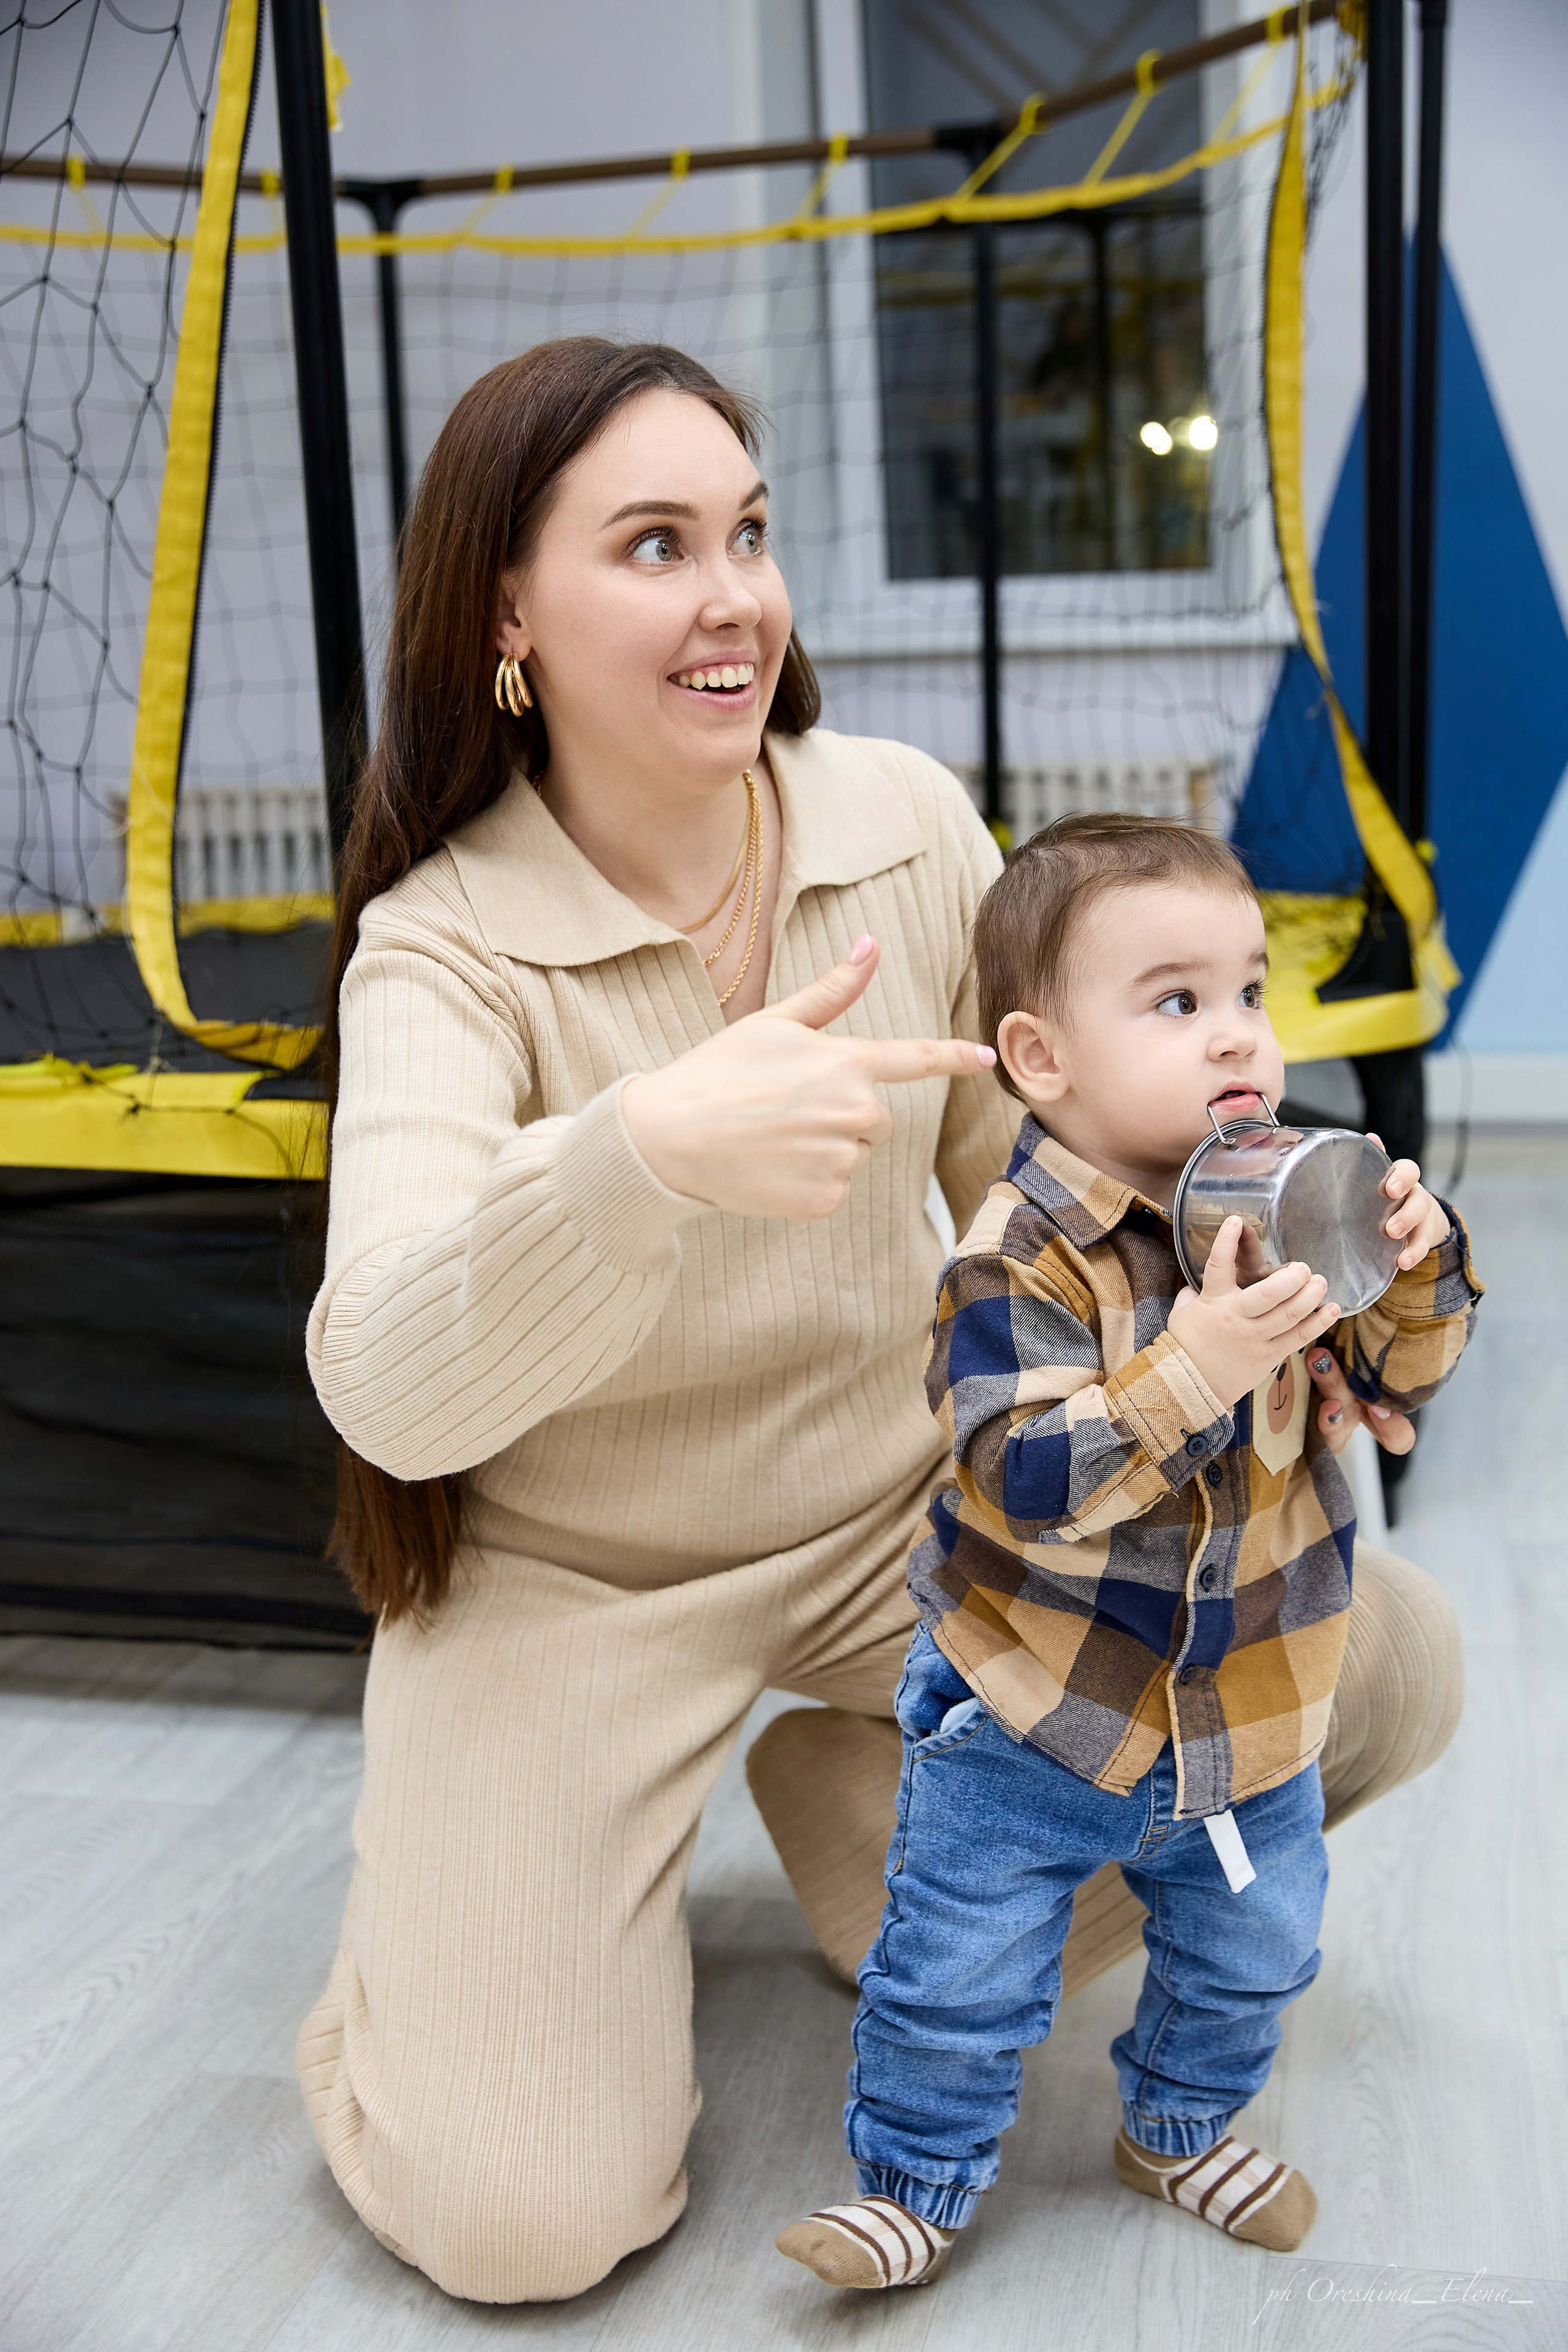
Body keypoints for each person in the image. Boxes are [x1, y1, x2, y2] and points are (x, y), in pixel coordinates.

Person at [299, 336, 1464, 2306]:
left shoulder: (905, 821)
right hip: (571, 1583)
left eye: (746, 534)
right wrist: (637, 1156)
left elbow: (1068, 1172)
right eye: (655, 544)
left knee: (1379, 1665)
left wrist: (1294, 1293)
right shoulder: (440, 947)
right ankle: (429, 1976)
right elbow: (388, 1390)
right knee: (524, 2230)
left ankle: (888, 1829)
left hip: (902, 1523)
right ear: (507, 610)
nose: (735, 595)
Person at [777, 816, 1482, 2293]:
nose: (1235, 1038)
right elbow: (1019, 1474)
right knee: (958, 1969)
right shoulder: (1012, 1260)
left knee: (1254, 1952)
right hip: (1031, 1713)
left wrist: (1413, 1268)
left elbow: (1401, 1379)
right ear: (1042, 1059)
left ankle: (1174, 2126)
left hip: (1250, 1704)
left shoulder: (1282, 1202)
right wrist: (1197, 1361)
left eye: (1246, 994)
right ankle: (914, 2180)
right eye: (1174, 1003)